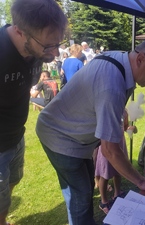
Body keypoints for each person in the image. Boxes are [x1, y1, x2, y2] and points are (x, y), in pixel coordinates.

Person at [35, 37, 145, 225]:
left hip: (74, 135)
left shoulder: (123, 62)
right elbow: (110, 150)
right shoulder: (112, 84)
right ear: (140, 59)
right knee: (81, 196)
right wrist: (141, 181)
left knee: (80, 188)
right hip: (60, 136)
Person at [0, 0, 67, 225]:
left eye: (58, 43)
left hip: (16, 136)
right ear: (20, 31)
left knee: (12, 184)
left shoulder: (38, 50)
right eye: (48, 45)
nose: (55, 52)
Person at [95, 109, 137, 214]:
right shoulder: (105, 111)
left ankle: (117, 193)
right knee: (105, 174)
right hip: (107, 147)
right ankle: (104, 202)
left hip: (119, 145)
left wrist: (131, 128)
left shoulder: (124, 111)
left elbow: (125, 126)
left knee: (119, 170)